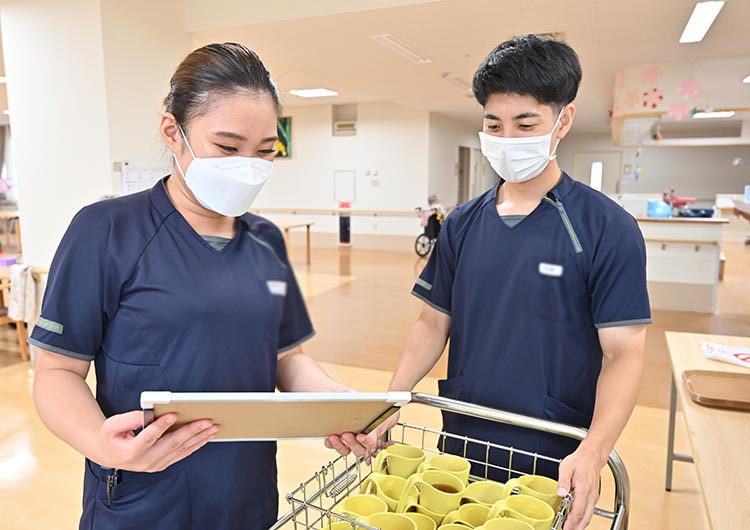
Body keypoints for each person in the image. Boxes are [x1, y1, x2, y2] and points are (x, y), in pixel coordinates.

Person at [328, 35, 650, 530]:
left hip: (551, 446)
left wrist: (595, 450)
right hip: (463, 437)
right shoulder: (462, 223)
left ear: (562, 121)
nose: (508, 138)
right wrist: (392, 398)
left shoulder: (606, 228)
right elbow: (432, 322)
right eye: (493, 125)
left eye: (526, 124)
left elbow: (624, 352)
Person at [31, 43, 351, 530]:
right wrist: (100, 442)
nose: (247, 165)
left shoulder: (264, 239)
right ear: (172, 133)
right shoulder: (107, 231)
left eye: (265, 151)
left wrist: (339, 403)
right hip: (143, 497)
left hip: (245, 495)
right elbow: (56, 371)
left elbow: (287, 358)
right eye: (227, 147)